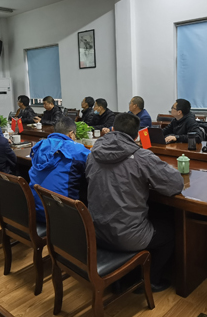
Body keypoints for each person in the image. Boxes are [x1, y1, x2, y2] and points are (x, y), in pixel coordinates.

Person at [86, 113, 184, 291]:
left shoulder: (92, 153)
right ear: (136, 135)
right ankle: (150, 281)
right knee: (169, 230)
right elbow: (175, 184)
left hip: (95, 231)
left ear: (112, 129)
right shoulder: (141, 157)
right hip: (126, 237)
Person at [29, 117, 90, 223]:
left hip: (36, 211)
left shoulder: (40, 146)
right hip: (63, 218)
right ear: (71, 134)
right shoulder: (77, 150)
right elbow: (93, 165)